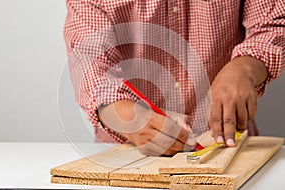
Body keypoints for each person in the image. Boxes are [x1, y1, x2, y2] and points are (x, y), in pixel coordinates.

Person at [63, 0, 285, 155]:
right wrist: (131, 119)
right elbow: (91, 64)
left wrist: (244, 68)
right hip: (126, 155)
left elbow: (274, 24)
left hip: (229, 148)